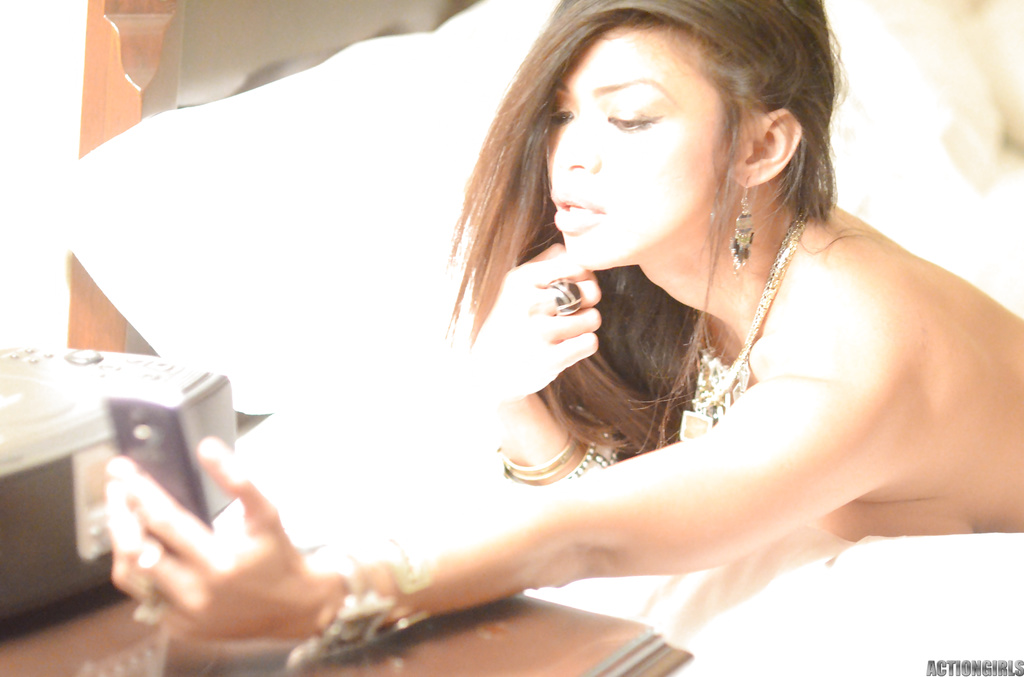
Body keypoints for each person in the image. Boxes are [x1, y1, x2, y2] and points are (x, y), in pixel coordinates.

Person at [106, 0, 1024, 662]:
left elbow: (587, 536)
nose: (573, 156)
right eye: (563, 115)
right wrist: (514, 400)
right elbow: (619, 500)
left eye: (629, 119)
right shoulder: (682, 265)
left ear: (761, 147)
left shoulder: (846, 360)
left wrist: (325, 590)